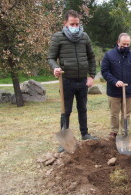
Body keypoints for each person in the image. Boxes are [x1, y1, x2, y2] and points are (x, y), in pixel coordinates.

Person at [47, 10, 99, 152]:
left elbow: (91, 57)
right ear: (65, 23)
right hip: (66, 81)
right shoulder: (58, 37)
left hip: (82, 80)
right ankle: (65, 140)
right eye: (72, 24)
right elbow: (50, 57)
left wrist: (91, 76)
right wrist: (55, 67)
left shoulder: (84, 37)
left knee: (82, 108)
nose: (75, 26)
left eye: (77, 24)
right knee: (66, 110)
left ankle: (85, 134)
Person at [101, 33, 131, 138]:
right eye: (123, 44)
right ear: (118, 42)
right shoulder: (109, 55)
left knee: (126, 113)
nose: (126, 46)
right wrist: (115, 81)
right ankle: (114, 131)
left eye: (128, 44)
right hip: (113, 91)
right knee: (114, 113)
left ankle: (125, 132)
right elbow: (105, 72)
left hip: (129, 90)